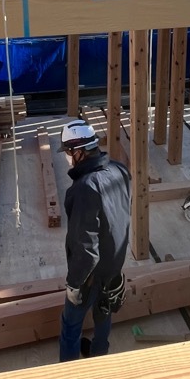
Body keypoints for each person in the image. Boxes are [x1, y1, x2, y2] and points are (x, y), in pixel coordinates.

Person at [57, 118, 131, 362]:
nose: (67, 157)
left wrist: (74, 284)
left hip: (90, 275)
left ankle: (68, 371)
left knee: (70, 325)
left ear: (78, 152)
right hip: (114, 264)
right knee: (103, 311)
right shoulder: (119, 170)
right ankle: (100, 356)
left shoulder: (84, 188)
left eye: (68, 152)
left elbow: (85, 247)